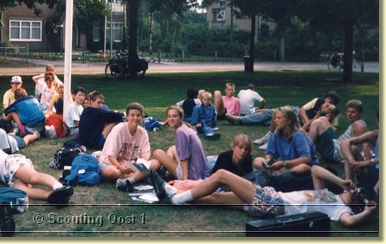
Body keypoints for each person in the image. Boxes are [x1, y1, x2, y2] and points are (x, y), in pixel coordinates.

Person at [150, 165, 378, 229]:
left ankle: (176, 198)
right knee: (216, 199)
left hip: (275, 205)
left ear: (356, 201)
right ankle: (175, 195)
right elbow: (315, 171)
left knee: (221, 176)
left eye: (354, 191)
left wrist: (368, 211)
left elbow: (348, 222)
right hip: (272, 198)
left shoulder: (340, 210)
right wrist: (341, 182)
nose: (351, 190)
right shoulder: (330, 193)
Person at [0, 129, 74, 206]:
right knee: (24, 191)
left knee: (33, 178)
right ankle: (53, 196)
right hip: (8, 175)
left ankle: (59, 187)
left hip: (10, 164)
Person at [100, 103, 159, 192]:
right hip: (114, 164)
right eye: (132, 115)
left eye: (138, 115)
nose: (135, 118)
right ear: (127, 116)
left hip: (132, 165)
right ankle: (141, 177)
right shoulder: (119, 129)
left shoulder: (143, 132)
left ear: (142, 117)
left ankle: (129, 180)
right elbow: (111, 156)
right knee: (110, 172)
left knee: (155, 163)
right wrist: (120, 167)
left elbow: (145, 156)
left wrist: (136, 167)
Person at [247, 91, 341, 147]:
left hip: (302, 124)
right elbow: (302, 110)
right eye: (327, 100)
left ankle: (273, 140)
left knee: (273, 119)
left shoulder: (333, 113)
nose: (327, 103)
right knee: (273, 113)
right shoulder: (317, 101)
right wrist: (309, 121)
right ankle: (241, 119)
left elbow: (334, 130)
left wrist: (324, 121)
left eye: (331, 102)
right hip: (297, 113)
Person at [252, 107, 319, 176]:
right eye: (275, 118)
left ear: (288, 120)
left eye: (279, 118)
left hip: (305, 167)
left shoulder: (298, 135)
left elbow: (306, 159)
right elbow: (270, 153)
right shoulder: (276, 135)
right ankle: (281, 176)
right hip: (288, 168)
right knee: (257, 161)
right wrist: (268, 159)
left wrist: (284, 163)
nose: (275, 121)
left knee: (302, 168)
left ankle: (277, 176)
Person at [153, 105, 208, 181]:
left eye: (174, 116)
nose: (171, 119)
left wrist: (185, 180)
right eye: (169, 116)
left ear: (181, 117)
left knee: (157, 152)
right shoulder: (185, 127)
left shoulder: (181, 132)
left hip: (191, 174)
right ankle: (163, 170)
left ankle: (163, 170)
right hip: (199, 170)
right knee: (172, 148)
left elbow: (185, 158)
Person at [340, 111, 378, 194]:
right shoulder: (375, 134)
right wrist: (352, 162)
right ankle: (348, 186)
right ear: (378, 123)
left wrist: (364, 163)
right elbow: (344, 143)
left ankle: (374, 193)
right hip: (371, 171)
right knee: (351, 148)